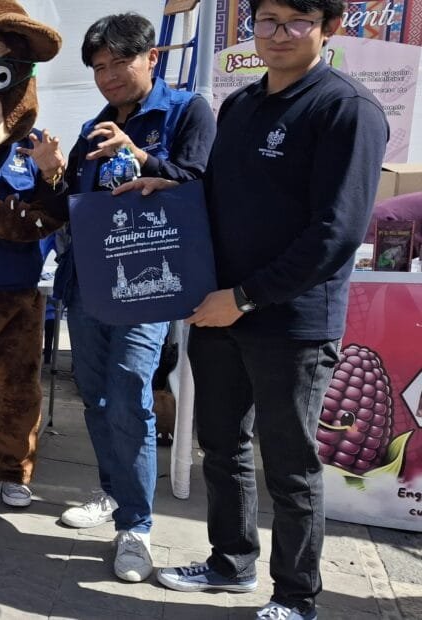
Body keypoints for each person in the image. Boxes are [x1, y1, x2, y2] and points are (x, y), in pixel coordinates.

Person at [119, 2, 388, 618]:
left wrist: (243, 298)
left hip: (288, 321)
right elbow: (217, 194)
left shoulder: (345, 109)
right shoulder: (240, 105)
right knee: (221, 446)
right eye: (267, 19)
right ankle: (230, 563)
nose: (279, 33)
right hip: (218, 311)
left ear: (329, 28)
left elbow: (335, 235)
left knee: (290, 469)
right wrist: (163, 178)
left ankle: (297, 597)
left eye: (298, 20)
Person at [36, 13, 215, 583]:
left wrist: (143, 157)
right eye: (99, 67)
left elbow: (202, 184)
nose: (109, 75)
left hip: (152, 285)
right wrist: (52, 176)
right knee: (94, 396)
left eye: (120, 62)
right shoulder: (94, 125)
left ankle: (135, 527)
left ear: (152, 58)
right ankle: (113, 495)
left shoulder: (189, 111)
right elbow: (81, 211)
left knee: (132, 390)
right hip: (90, 284)